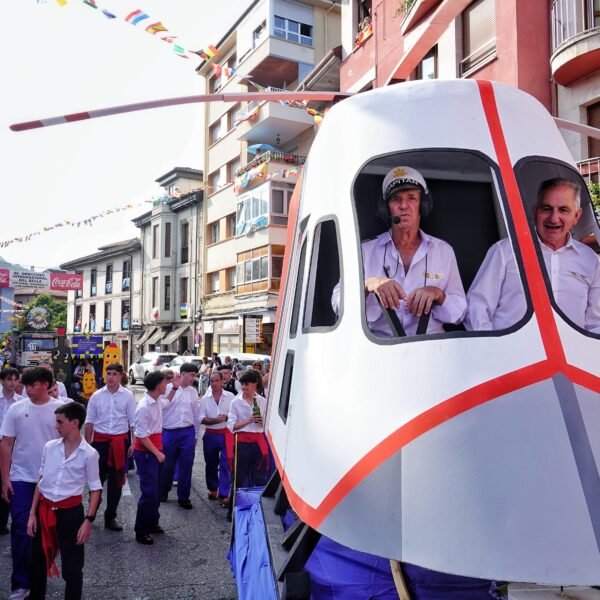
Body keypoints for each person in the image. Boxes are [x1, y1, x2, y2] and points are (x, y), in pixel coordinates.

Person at [331, 166, 467, 337]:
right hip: (379, 348)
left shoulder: (443, 251)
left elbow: (460, 312)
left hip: (432, 348)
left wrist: (437, 294)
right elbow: (337, 304)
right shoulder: (365, 251)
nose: (404, 206)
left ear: (422, 205)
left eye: (412, 198)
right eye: (396, 199)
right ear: (386, 208)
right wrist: (368, 285)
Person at [466, 178, 600, 332]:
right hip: (512, 353)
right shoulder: (505, 251)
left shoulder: (590, 260)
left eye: (563, 210)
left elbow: (595, 324)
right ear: (535, 211)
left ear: (576, 215)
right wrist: (492, 348)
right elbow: (476, 307)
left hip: (568, 355)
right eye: (547, 208)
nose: (554, 218)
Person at [0, 367, 64, 600]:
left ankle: (41, 571)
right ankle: (20, 584)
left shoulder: (60, 409)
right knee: (21, 530)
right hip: (22, 479)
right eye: (25, 385)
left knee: (50, 530)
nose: (27, 389)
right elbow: (6, 444)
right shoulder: (17, 409)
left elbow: (69, 443)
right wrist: (5, 479)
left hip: (52, 481)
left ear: (46, 384)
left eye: (32, 385)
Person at [27, 402, 102, 600]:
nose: (56, 426)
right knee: (37, 564)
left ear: (75, 423)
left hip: (70, 515)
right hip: (44, 511)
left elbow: (96, 489)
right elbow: (40, 480)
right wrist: (31, 515)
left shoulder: (89, 454)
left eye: (60, 422)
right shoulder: (50, 447)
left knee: (73, 569)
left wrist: (88, 521)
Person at [84, 363, 136, 532]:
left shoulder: (128, 396)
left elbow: (133, 422)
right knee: (96, 481)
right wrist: (87, 446)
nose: (111, 377)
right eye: (109, 373)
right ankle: (90, 515)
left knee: (116, 483)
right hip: (100, 443)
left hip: (120, 443)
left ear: (120, 376)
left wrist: (134, 443)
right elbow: (89, 422)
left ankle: (110, 517)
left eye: (114, 374)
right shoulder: (96, 396)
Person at [133, 372, 167, 545]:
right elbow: (141, 435)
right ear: (157, 385)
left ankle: (153, 521)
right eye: (164, 382)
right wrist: (157, 452)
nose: (166, 385)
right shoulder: (144, 406)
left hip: (156, 448)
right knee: (149, 492)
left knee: (158, 489)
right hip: (147, 452)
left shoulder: (158, 401)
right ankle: (141, 529)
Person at [159, 362, 199, 509]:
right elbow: (162, 408)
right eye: (192, 375)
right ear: (182, 374)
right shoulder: (167, 389)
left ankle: (184, 497)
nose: (194, 378)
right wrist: (174, 388)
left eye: (195, 375)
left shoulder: (193, 392)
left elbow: (196, 415)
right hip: (169, 431)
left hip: (187, 431)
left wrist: (195, 435)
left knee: (187, 465)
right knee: (167, 464)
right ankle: (163, 491)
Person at [227, 369, 269, 489]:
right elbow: (231, 426)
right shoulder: (235, 402)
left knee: (260, 477)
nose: (244, 387)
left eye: (247, 384)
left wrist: (263, 422)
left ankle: (257, 505)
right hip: (242, 442)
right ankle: (236, 505)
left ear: (255, 384)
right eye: (242, 384)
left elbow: (269, 425)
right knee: (239, 476)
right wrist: (248, 420)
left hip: (258, 441)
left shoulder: (263, 401)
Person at [199, 371, 235, 507]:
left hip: (226, 434)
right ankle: (213, 488)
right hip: (210, 435)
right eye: (211, 381)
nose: (214, 383)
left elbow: (235, 415)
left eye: (216, 381)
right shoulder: (204, 399)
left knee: (226, 464)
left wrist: (226, 418)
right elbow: (201, 419)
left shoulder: (231, 396)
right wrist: (215, 420)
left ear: (222, 381)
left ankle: (224, 494)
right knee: (211, 464)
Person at [0, 368, 21, 537]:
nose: (12, 382)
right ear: (2, 381)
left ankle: (2, 520)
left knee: (6, 480)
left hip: (10, 446)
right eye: (9, 379)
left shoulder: (20, 402)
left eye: (15, 379)